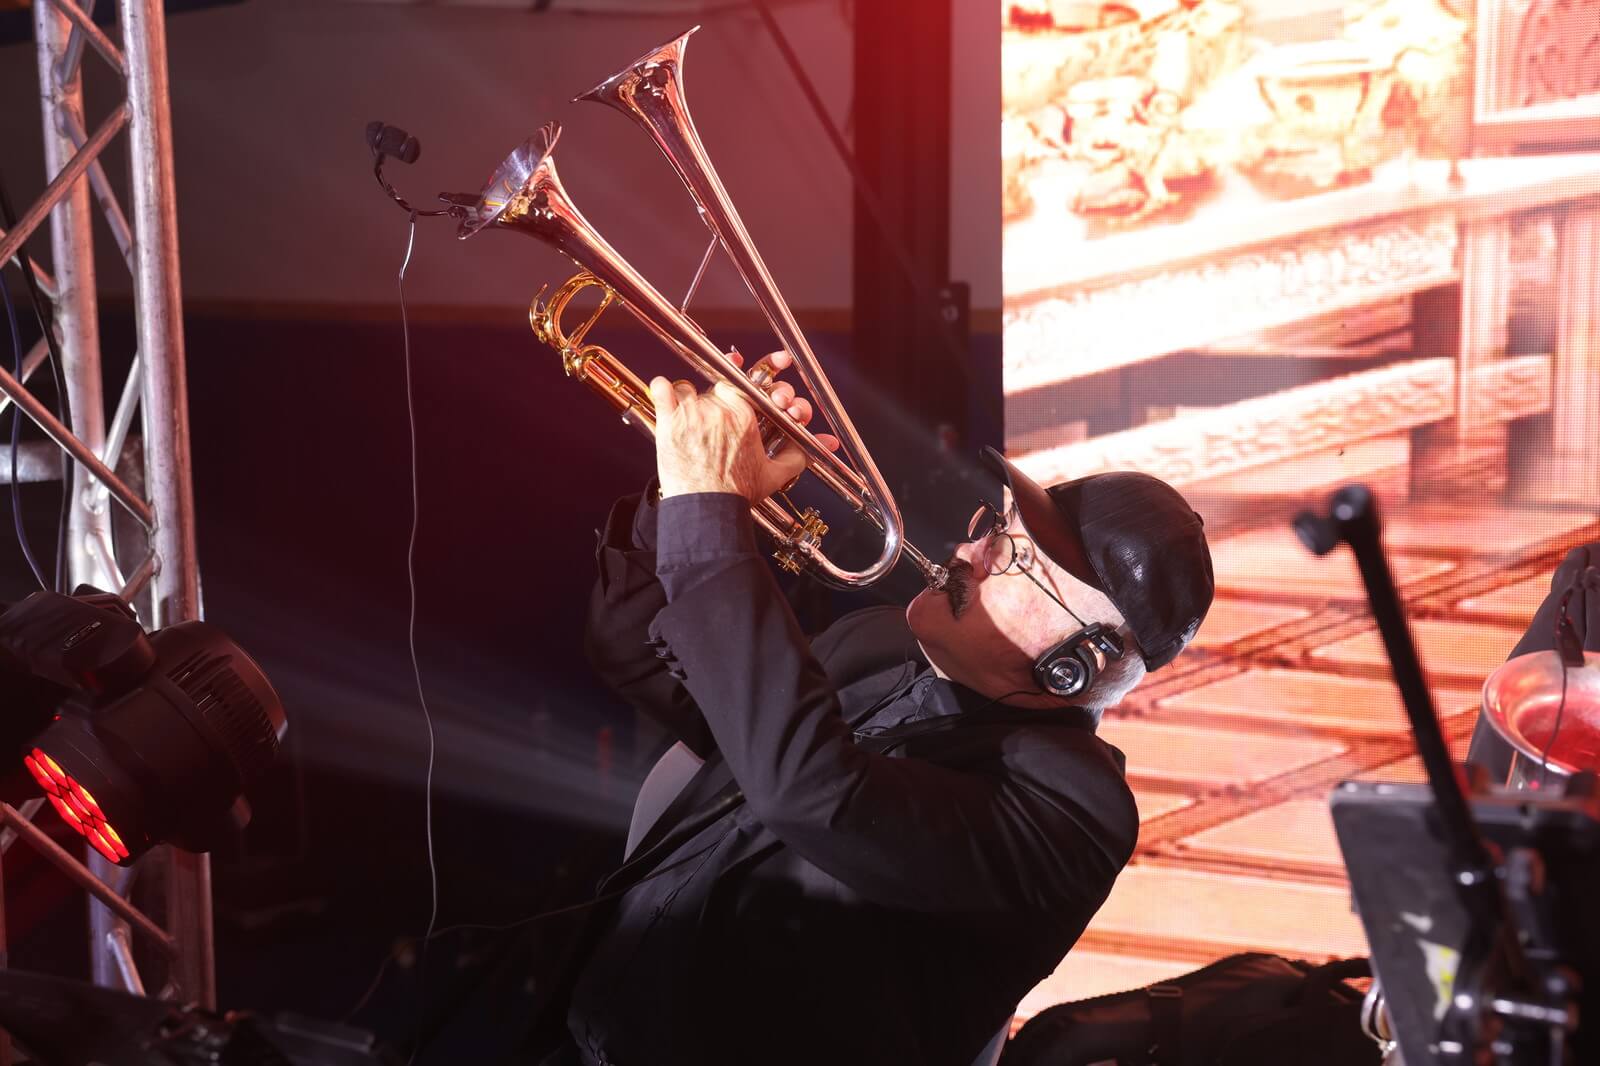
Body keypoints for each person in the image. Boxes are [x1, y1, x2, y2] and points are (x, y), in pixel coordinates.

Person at [543, 353, 1214, 1066]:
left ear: (1074, 662)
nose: (970, 550)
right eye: (997, 527)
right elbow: (642, 658)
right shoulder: (880, 640)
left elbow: (815, 792)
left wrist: (708, 515)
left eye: (1015, 558)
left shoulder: (1077, 813)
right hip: (580, 1028)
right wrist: (681, 494)